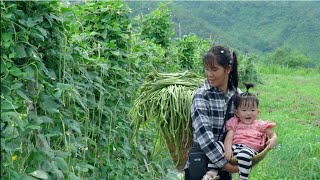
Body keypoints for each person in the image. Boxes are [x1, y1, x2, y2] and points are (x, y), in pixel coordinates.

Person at [185, 45, 240, 180]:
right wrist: (226, 165)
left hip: (224, 171)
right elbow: (205, 137)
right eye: (207, 69)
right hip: (200, 168)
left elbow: (247, 126)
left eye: (214, 69)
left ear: (228, 69)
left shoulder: (237, 95)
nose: (209, 74)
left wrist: (269, 137)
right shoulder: (202, 95)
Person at [224, 83, 277, 180]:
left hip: (249, 150)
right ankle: (212, 172)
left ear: (258, 112)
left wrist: (273, 140)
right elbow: (229, 137)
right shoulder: (235, 122)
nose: (248, 113)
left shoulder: (260, 124)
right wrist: (227, 149)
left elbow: (272, 134)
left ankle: (243, 178)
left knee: (244, 154)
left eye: (252, 110)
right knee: (217, 148)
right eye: (244, 110)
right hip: (234, 148)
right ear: (237, 112)